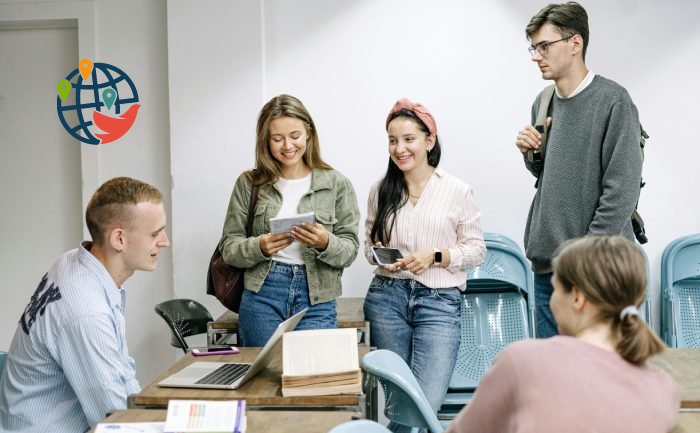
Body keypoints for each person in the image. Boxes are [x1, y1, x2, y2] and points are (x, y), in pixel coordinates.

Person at [445, 235, 679, 433]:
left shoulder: (523, 361)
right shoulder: (664, 389)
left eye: (555, 290)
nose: (551, 302)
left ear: (577, 298)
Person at [0, 177, 170, 432]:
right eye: (155, 233)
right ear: (119, 239)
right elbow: (115, 423)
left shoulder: (75, 261)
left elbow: (121, 371)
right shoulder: (86, 312)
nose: (165, 241)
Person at [515, 2, 644, 338]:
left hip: (598, 273)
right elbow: (551, 176)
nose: (536, 55)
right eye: (534, 47)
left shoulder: (614, 102)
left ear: (575, 44)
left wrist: (583, 261)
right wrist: (532, 155)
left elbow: (621, 192)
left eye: (544, 46)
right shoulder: (542, 102)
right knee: (553, 380)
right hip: (548, 270)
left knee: (603, 380)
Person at [363, 97, 486, 431]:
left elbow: (476, 250)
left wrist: (436, 256)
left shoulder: (457, 190)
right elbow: (367, 245)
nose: (399, 148)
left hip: (439, 301)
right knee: (399, 401)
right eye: (392, 140)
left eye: (408, 139)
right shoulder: (380, 190)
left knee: (424, 402)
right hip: (386, 298)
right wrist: (381, 258)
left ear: (429, 141)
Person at [219, 94, 360, 347]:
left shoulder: (336, 184)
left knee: (310, 379)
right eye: (277, 138)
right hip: (262, 293)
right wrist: (259, 246)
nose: (287, 146)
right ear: (265, 141)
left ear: (308, 133)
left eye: (295, 136)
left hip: (317, 297)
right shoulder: (249, 184)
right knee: (260, 381)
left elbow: (350, 250)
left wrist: (325, 242)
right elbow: (229, 248)